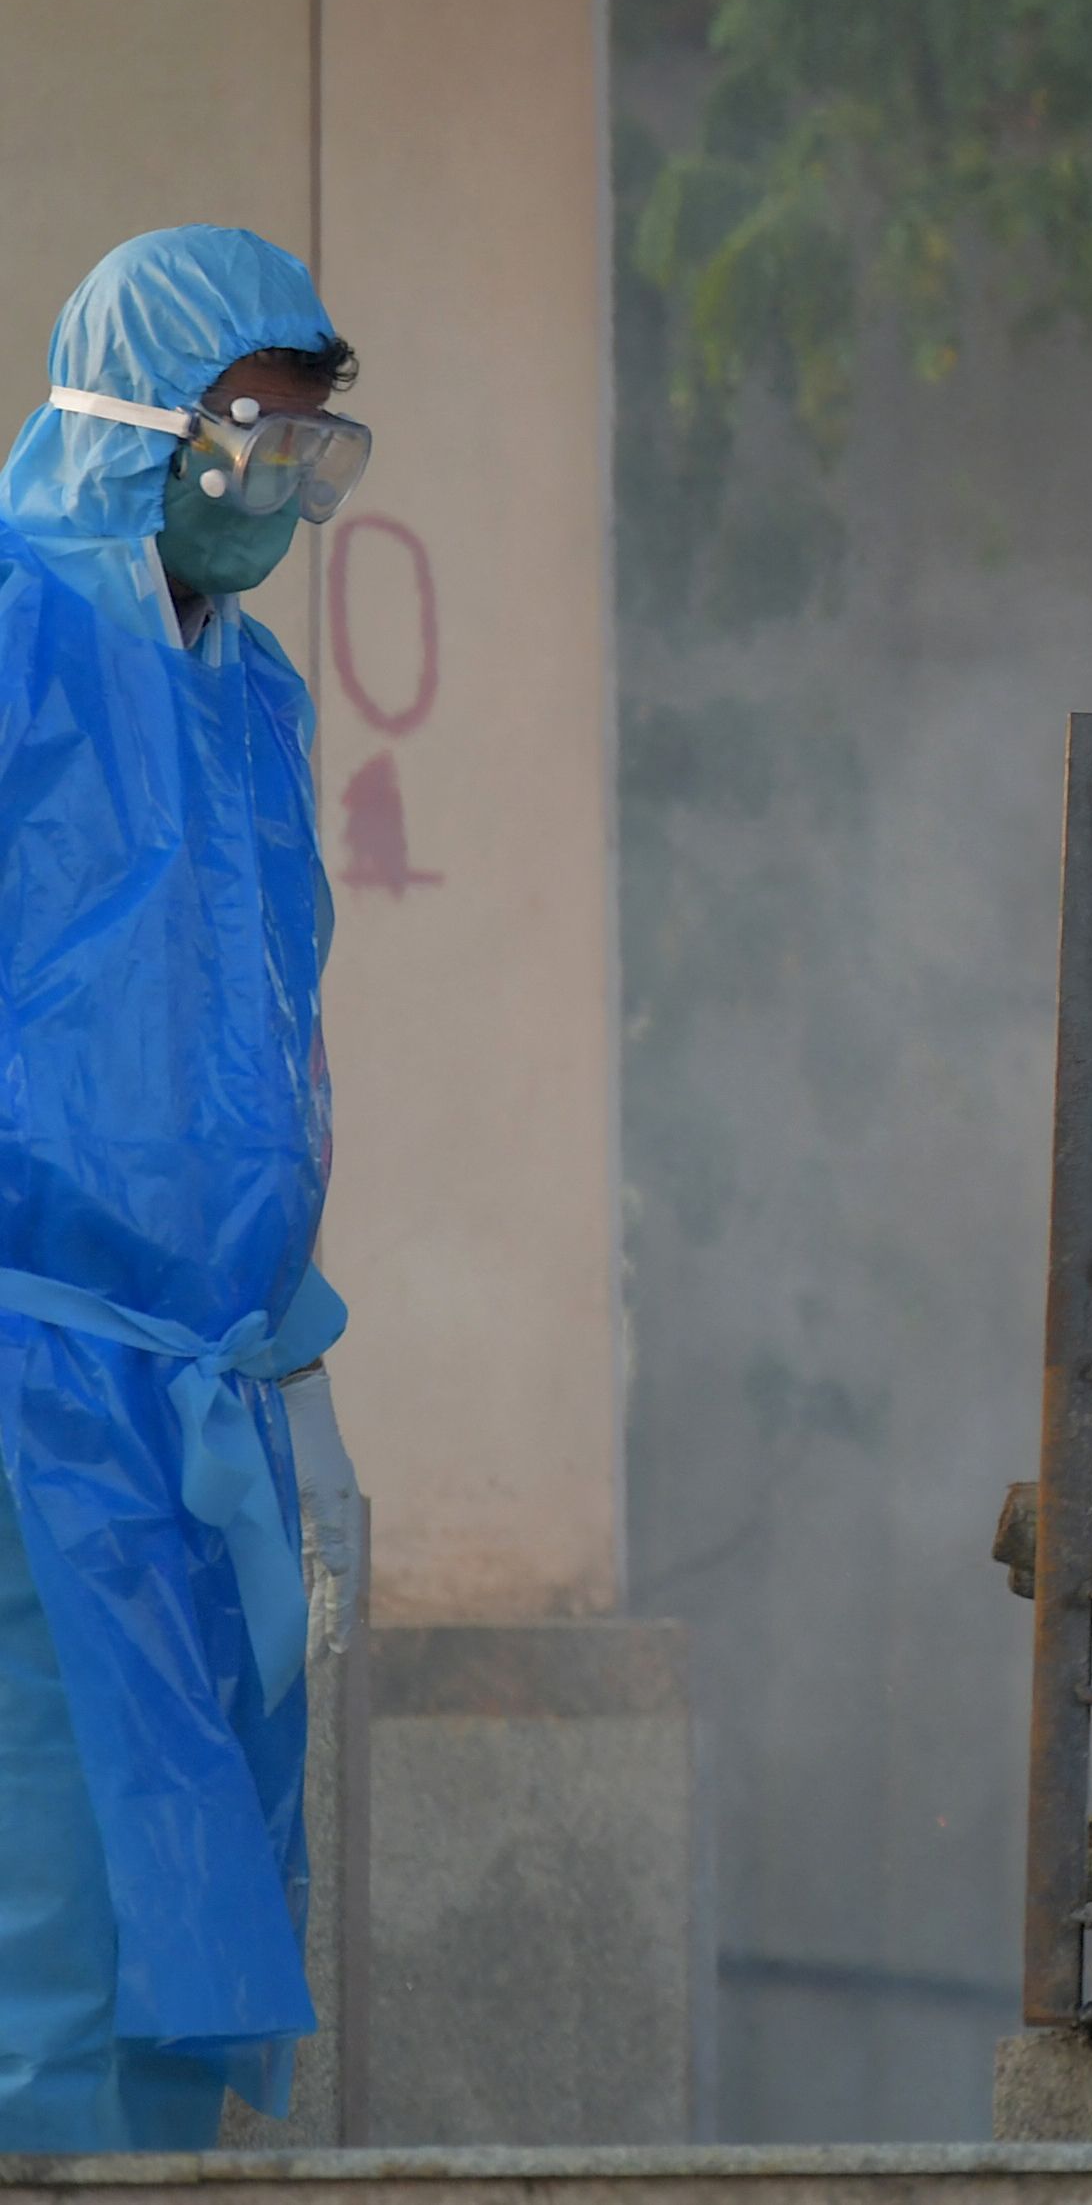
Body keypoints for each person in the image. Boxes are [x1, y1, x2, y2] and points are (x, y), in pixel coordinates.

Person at [0, 229, 366, 2147]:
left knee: (191, 1882)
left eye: (317, 441)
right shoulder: (15, 631)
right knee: (50, 1876)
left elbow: (263, 1022)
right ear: (142, 417)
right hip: (31, 1372)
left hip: (208, 1381)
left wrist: (291, 1345)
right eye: (258, 429)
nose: (285, 477)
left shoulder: (255, 693)